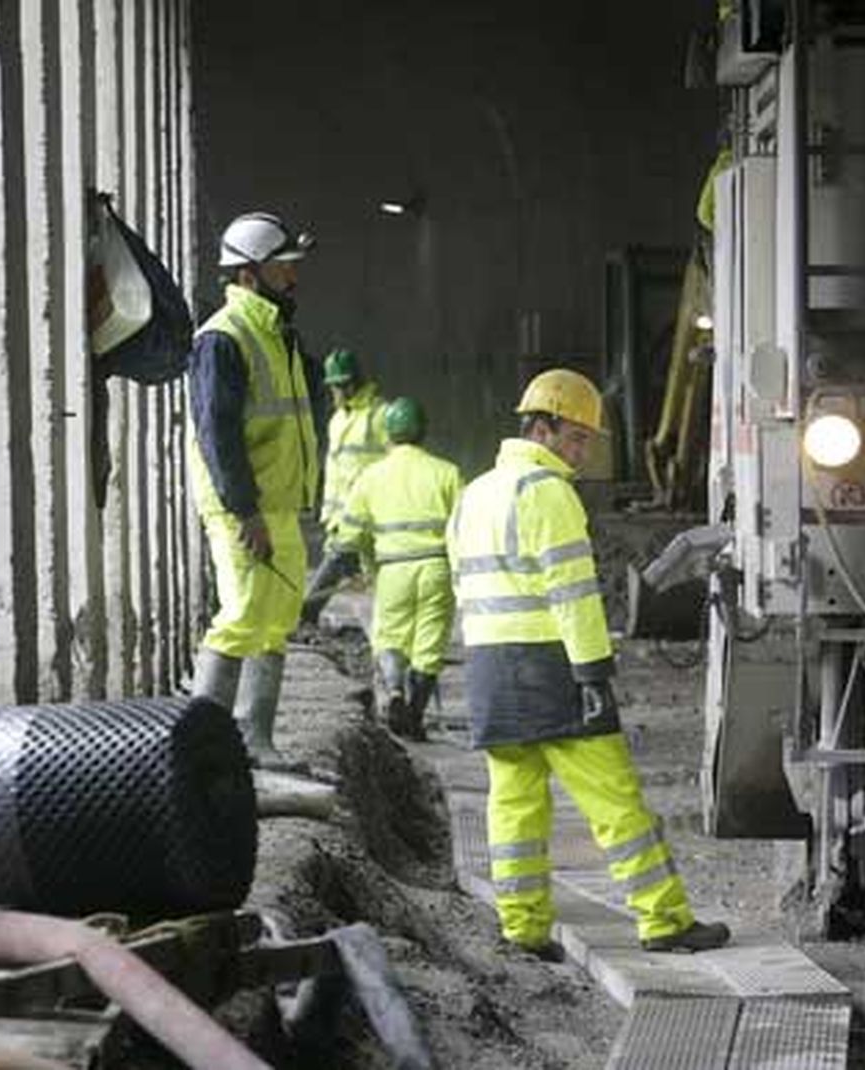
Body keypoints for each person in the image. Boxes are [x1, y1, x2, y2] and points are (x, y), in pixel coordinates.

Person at [448, 368, 732, 958]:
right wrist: (593, 672)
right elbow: (572, 593)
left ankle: (522, 928)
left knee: (514, 804)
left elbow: (464, 583)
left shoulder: (474, 493)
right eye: (576, 439)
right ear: (543, 428)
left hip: (489, 669)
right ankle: (663, 920)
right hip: (551, 666)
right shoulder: (547, 492)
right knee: (615, 800)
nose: (581, 453)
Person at [186, 210, 327, 765]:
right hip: (244, 508)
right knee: (243, 613)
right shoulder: (224, 338)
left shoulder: (276, 333)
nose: (293, 277)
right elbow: (216, 432)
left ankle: (254, 742)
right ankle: (198, 748)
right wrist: (244, 511)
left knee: (275, 620)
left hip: (280, 503)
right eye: (282, 266)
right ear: (249, 275)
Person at [331, 397, 461, 741]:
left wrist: (349, 555)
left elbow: (350, 531)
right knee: (429, 643)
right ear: (424, 432)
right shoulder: (447, 473)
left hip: (392, 571)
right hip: (436, 568)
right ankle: (415, 717)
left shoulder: (371, 476)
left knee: (390, 637)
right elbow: (464, 526)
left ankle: (394, 692)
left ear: (387, 434)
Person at [299, 349, 390, 624]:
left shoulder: (380, 414)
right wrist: (327, 514)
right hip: (341, 517)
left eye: (336, 387)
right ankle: (381, 634)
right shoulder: (338, 420)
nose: (333, 393)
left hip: (368, 514)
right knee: (357, 573)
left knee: (345, 564)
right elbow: (335, 470)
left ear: (349, 384)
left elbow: (394, 462)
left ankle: (306, 614)